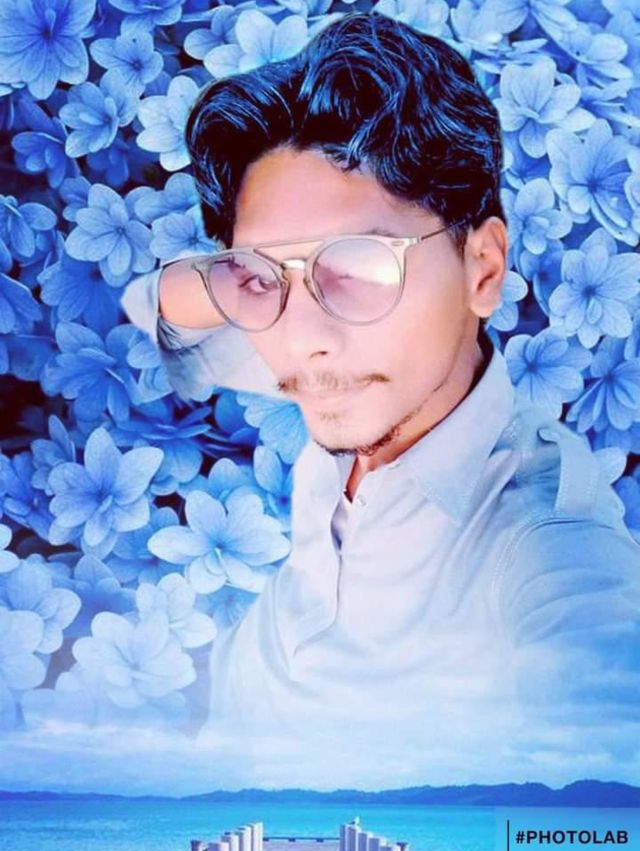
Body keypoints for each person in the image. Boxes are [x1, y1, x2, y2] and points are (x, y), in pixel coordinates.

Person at [122, 13, 640, 749]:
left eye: (360, 266)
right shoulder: (340, 358)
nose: (302, 340)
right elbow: (151, 306)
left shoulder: (545, 545)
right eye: (259, 278)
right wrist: (249, 275)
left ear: (483, 269)